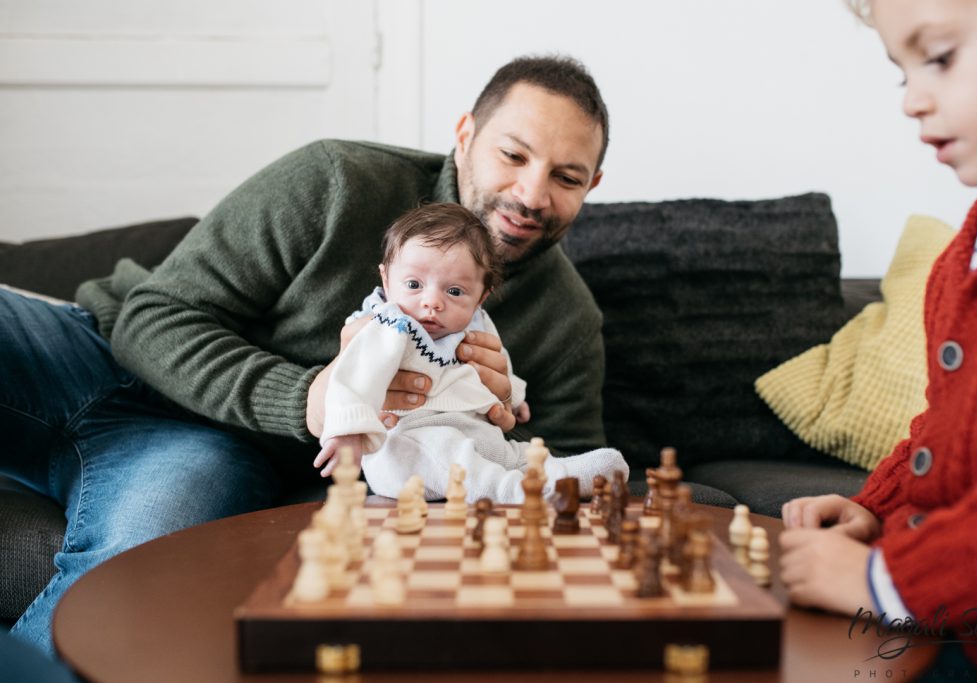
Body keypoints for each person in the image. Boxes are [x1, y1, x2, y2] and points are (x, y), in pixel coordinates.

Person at [0, 54, 610, 657]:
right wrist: (310, 398)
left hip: (205, 449)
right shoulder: (336, 181)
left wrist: (503, 419)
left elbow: (564, 486)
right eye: (513, 155)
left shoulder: (566, 321)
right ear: (465, 135)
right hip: (93, 353)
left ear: (593, 187)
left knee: (133, 583)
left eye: (567, 176)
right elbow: (153, 316)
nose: (531, 194)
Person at [779, 1, 977, 680]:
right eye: (902, 72)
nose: (913, 99)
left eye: (940, 57)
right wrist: (874, 508)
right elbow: (946, 430)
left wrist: (886, 580)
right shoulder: (963, 256)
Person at [315, 202, 627, 501]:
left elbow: (498, 365)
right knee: (451, 451)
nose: (432, 302)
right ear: (386, 277)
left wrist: (514, 398)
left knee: (512, 453)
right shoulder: (388, 324)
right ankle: (515, 493)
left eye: (454, 291)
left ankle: (564, 473)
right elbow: (356, 377)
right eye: (413, 284)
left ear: (481, 297)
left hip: (471, 432)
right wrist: (348, 431)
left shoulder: (474, 322)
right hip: (407, 444)